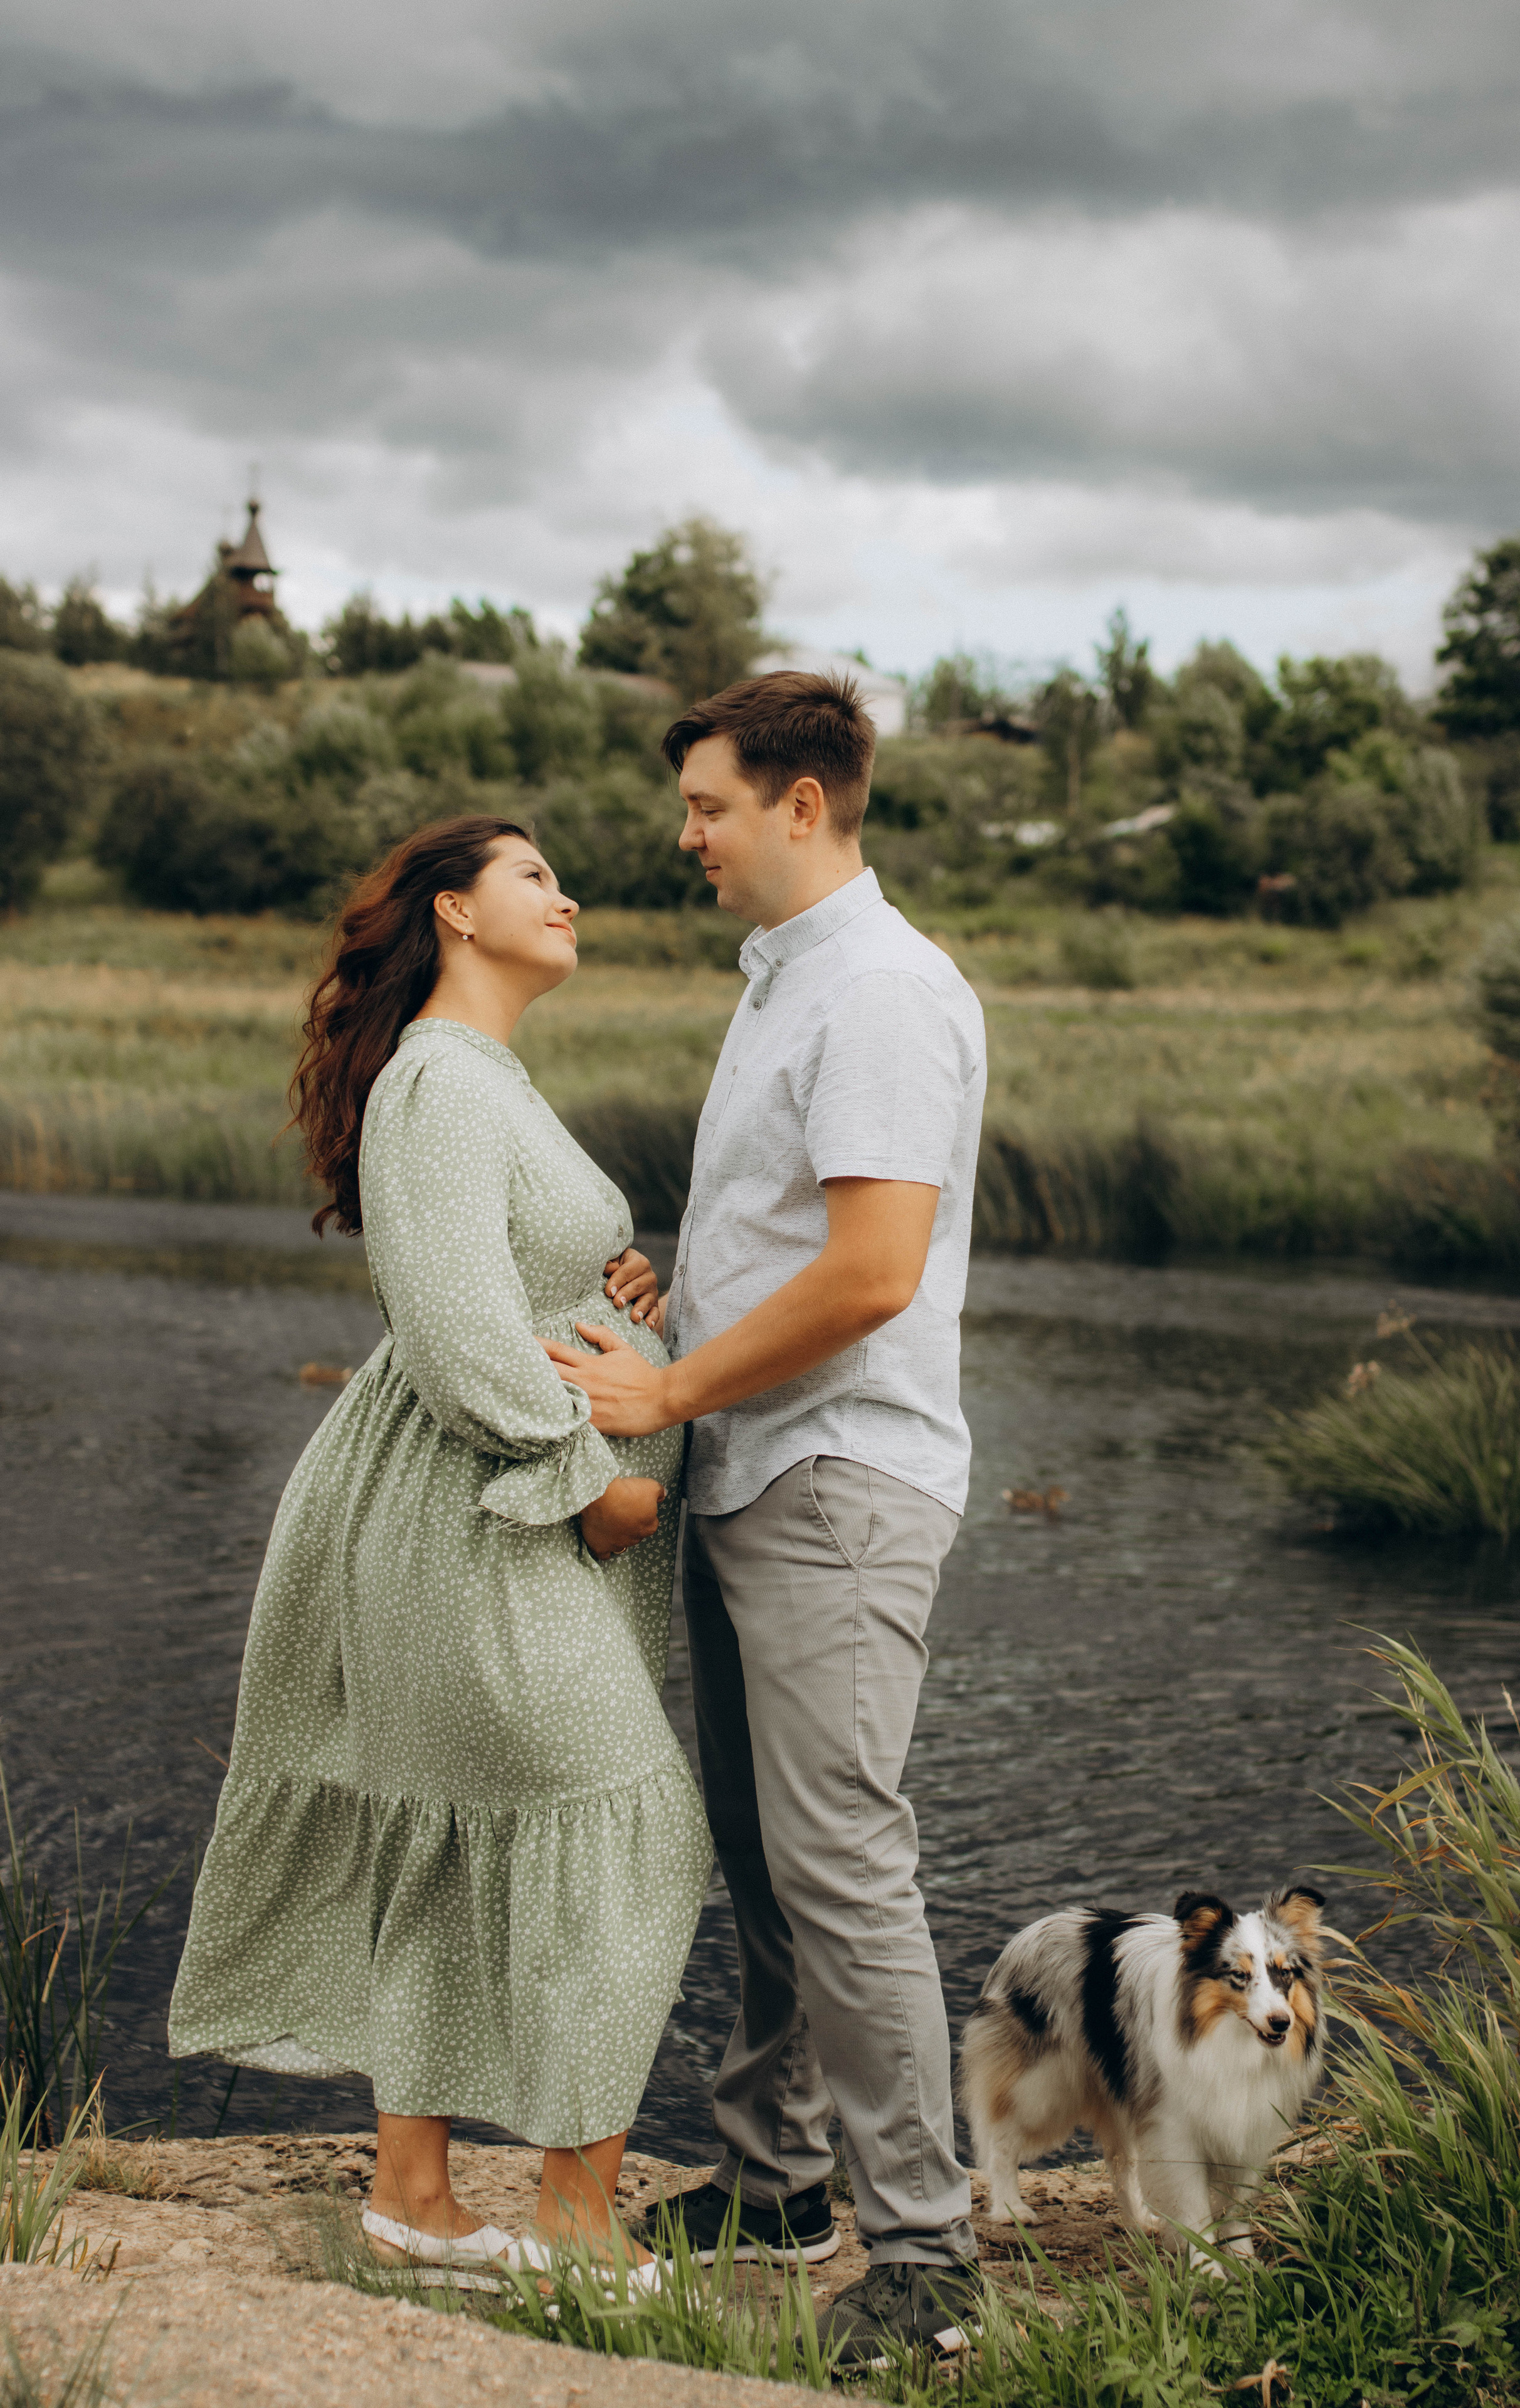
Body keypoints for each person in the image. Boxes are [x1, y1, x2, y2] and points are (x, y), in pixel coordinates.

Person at [169, 814, 712, 2281]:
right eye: (535, 874)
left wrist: (619, 1279)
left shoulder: (484, 1083)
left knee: (460, 1824)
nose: (569, 892)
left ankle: (414, 2196)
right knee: (633, 1825)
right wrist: (584, 1478)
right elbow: (455, 1329)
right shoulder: (436, 1080)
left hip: (480, 1510)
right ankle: (579, 2222)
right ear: (456, 913)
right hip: (473, 1510)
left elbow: (503, 1276)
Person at [542, 672, 988, 2360]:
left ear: (803, 805)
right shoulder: (794, 983)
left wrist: (665, 1390)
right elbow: (805, 1235)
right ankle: (779, 2179)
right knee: (768, 1861)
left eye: (711, 806)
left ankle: (929, 2261)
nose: (688, 838)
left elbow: (876, 1273)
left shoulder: (878, 991)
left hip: (835, 1484)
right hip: (760, 1467)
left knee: (841, 1867)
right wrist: (685, 1284)